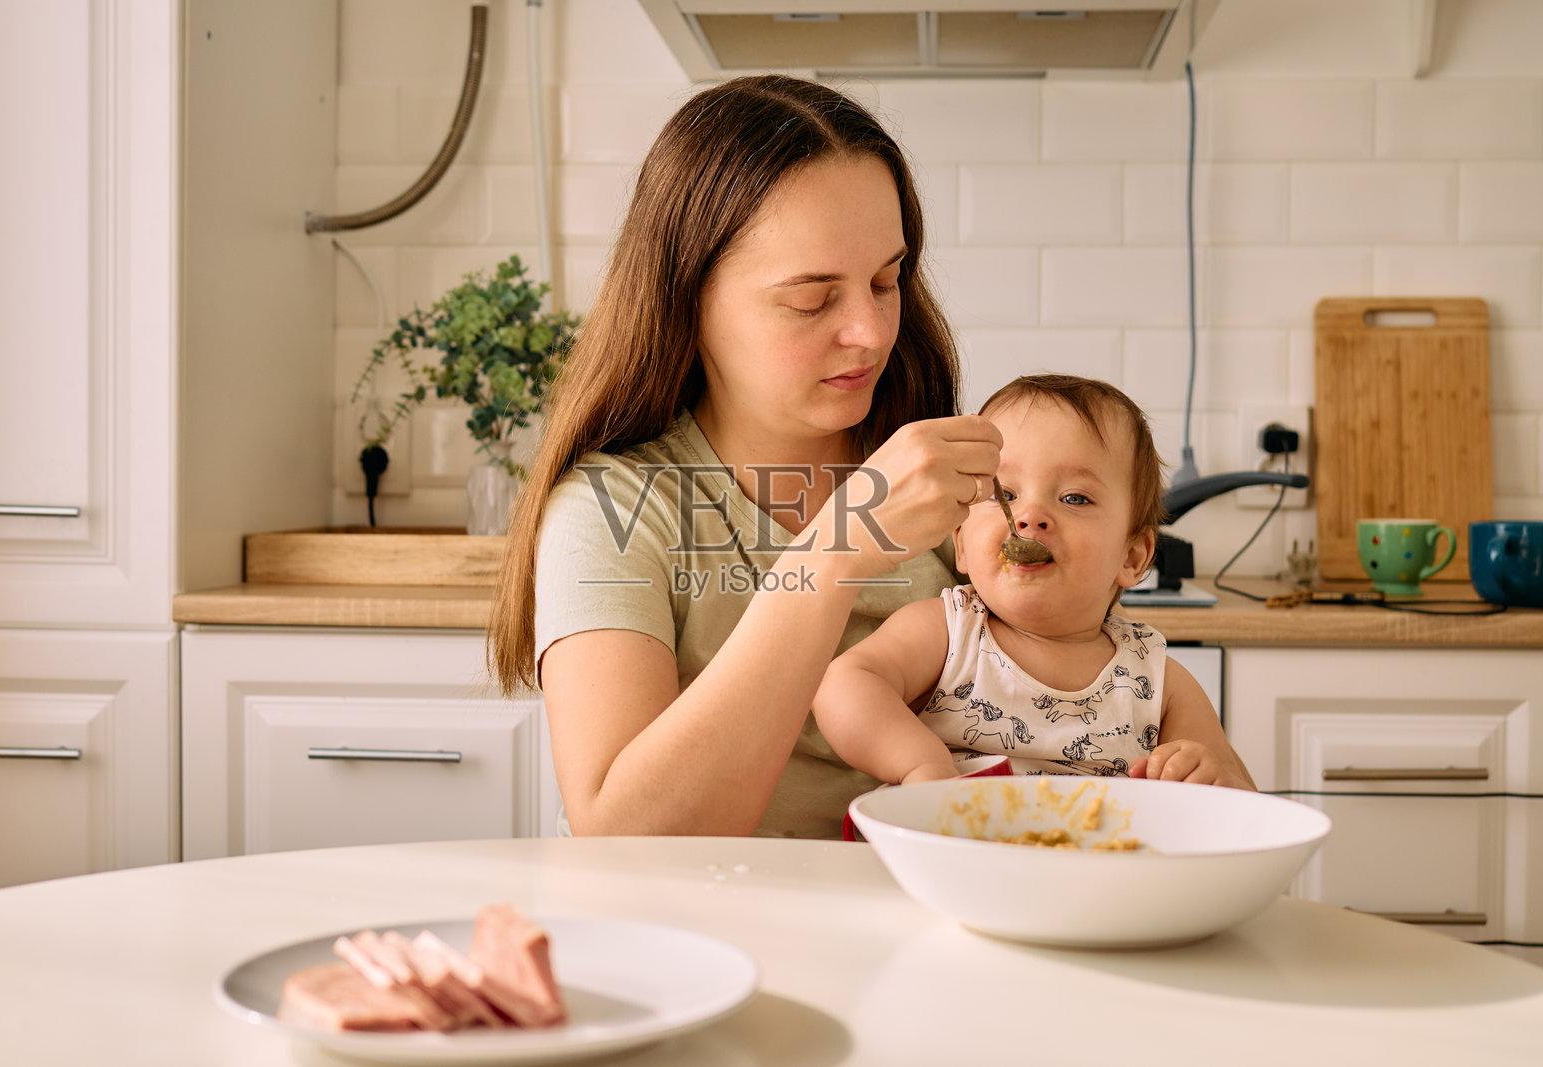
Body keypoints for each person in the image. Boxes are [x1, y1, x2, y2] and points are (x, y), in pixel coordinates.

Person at [487, 75, 1005, 839]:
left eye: (886, 280)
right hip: (697, 938)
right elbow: (626, 837)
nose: (869, 329)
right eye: (811, 299)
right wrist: (839, 548)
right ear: (688, 298)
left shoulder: (947, 484)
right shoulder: (614, 508)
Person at [814, 374, 1255, 791]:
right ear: (961, 543)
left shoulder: (1159, 681)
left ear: (1132, 556)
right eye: (1004, 495)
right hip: (953, 851)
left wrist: (1204, 774)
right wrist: (919, 762)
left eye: (1074, 498)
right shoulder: (948, 631)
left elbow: (1239, 794)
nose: (1029, 515)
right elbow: (844, 686)